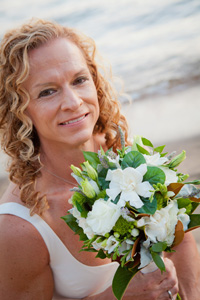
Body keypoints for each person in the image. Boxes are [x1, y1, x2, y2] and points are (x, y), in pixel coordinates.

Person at [0, 18, 199, 300]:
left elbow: (181, 239)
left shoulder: (125, 156)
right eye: (47, 91)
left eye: (79, 80)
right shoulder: (21, 227)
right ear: (19, 110)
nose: (73, 102)